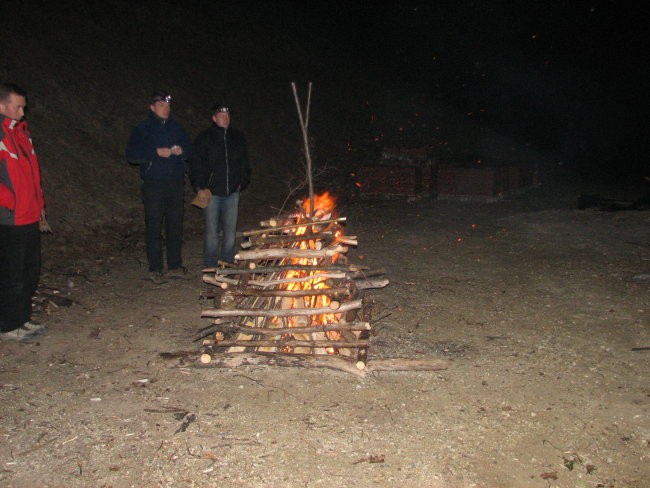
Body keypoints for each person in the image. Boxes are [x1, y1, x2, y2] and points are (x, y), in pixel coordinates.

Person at [126, 90, 192, 283]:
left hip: (175, 183)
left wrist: (181, 151)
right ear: (152, 107)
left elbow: (189, 149)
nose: (166, 109)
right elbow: (131, 154)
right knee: (154, 225)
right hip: (154, 183)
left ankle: (175, 265)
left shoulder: (176, 127)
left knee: (175, 224)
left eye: (168, 105)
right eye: (162, 105)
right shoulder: (143, 128)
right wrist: (155, 153)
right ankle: (155, 268)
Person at [0, 82, 48, 341]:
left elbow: (32, 173)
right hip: (9, 218)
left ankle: (23, 318)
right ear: (2, 104)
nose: (22, 112)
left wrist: (39, 205)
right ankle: (9, 325)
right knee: (12, 273)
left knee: (30, 271)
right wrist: (10, 200)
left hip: (29, 215)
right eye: (17, 107)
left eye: (23, 107)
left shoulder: (21, 133)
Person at [190, 103, 251, 267]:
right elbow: (196, 164)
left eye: (227, 116)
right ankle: (210, 267)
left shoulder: (237, 137)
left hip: (232, 193)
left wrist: (242, 182)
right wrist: (199, 186)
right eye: (222, 116)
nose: (225, 118)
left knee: (230, 233)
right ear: (214, 118)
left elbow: (245, 162)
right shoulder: (204, 138)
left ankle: (227, 265)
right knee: (211, 233)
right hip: (211, 193)